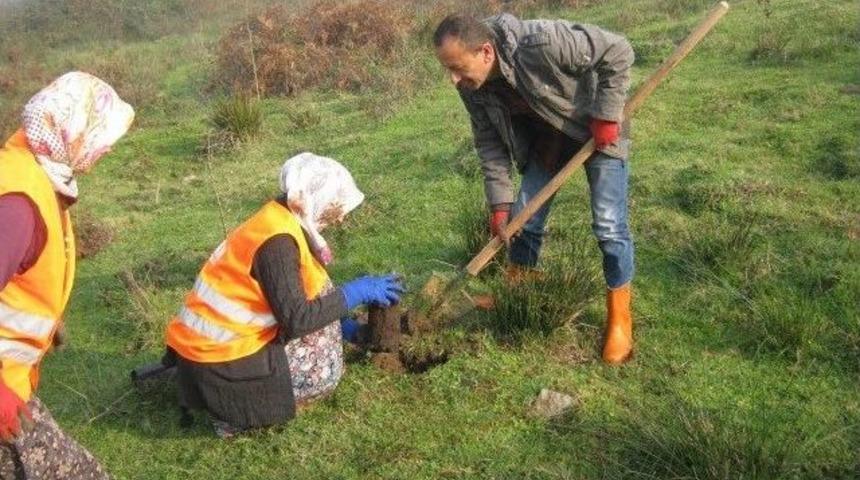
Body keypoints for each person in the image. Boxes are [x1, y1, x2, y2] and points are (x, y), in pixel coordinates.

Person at [433, 13, 636, 363]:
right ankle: (518, 291)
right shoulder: (472, 87)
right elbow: (489, 142)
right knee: (521, 223)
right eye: (447, 69)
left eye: (458, 68)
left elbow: (618, 50)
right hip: (547, 144)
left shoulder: (541, 42)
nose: (453, 79)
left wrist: (606, 115)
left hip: (598, 136)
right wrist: (500, 205)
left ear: (485, 52)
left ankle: (620, 320)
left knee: (609, 226)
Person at [163, 152, 404, 437]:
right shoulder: (277, 245)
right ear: (315, 200)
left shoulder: (277, 218)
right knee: (325, 373)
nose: (339, 220)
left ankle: (233, 400)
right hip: (222, 366)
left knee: (321, 295)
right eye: (334, 209)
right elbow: (298, 319)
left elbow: (295, 296)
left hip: (208, 353)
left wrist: (344, 327)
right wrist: (355, 292)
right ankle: (238, 412)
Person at [0, 71, 134, 478]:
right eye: (102, 137)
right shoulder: (19, 205)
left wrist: (43, 323)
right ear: (72, 130)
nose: (106, 150)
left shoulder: (25, 172)